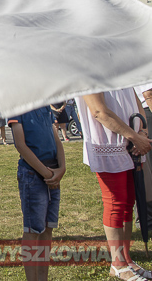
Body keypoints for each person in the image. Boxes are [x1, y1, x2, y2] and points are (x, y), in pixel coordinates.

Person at [77, 89, 152, 280]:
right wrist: (135, 137)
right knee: (115, 202)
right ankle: (118, 264)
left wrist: (142, 132)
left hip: (130, 142)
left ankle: (126, 260)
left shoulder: (116, 73)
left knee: (128, 202)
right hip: (108, 142)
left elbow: (136, 102)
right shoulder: (88, 74)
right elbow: (99, 111)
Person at [8, 107, 66, 281]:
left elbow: (56, 139)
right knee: (33, 230)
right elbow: (20, 145)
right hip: (33, 175)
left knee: (47, 229)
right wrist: (46, 173)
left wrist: (62, 168)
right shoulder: (16, 107)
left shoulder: (44, 106)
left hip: (53, 173)